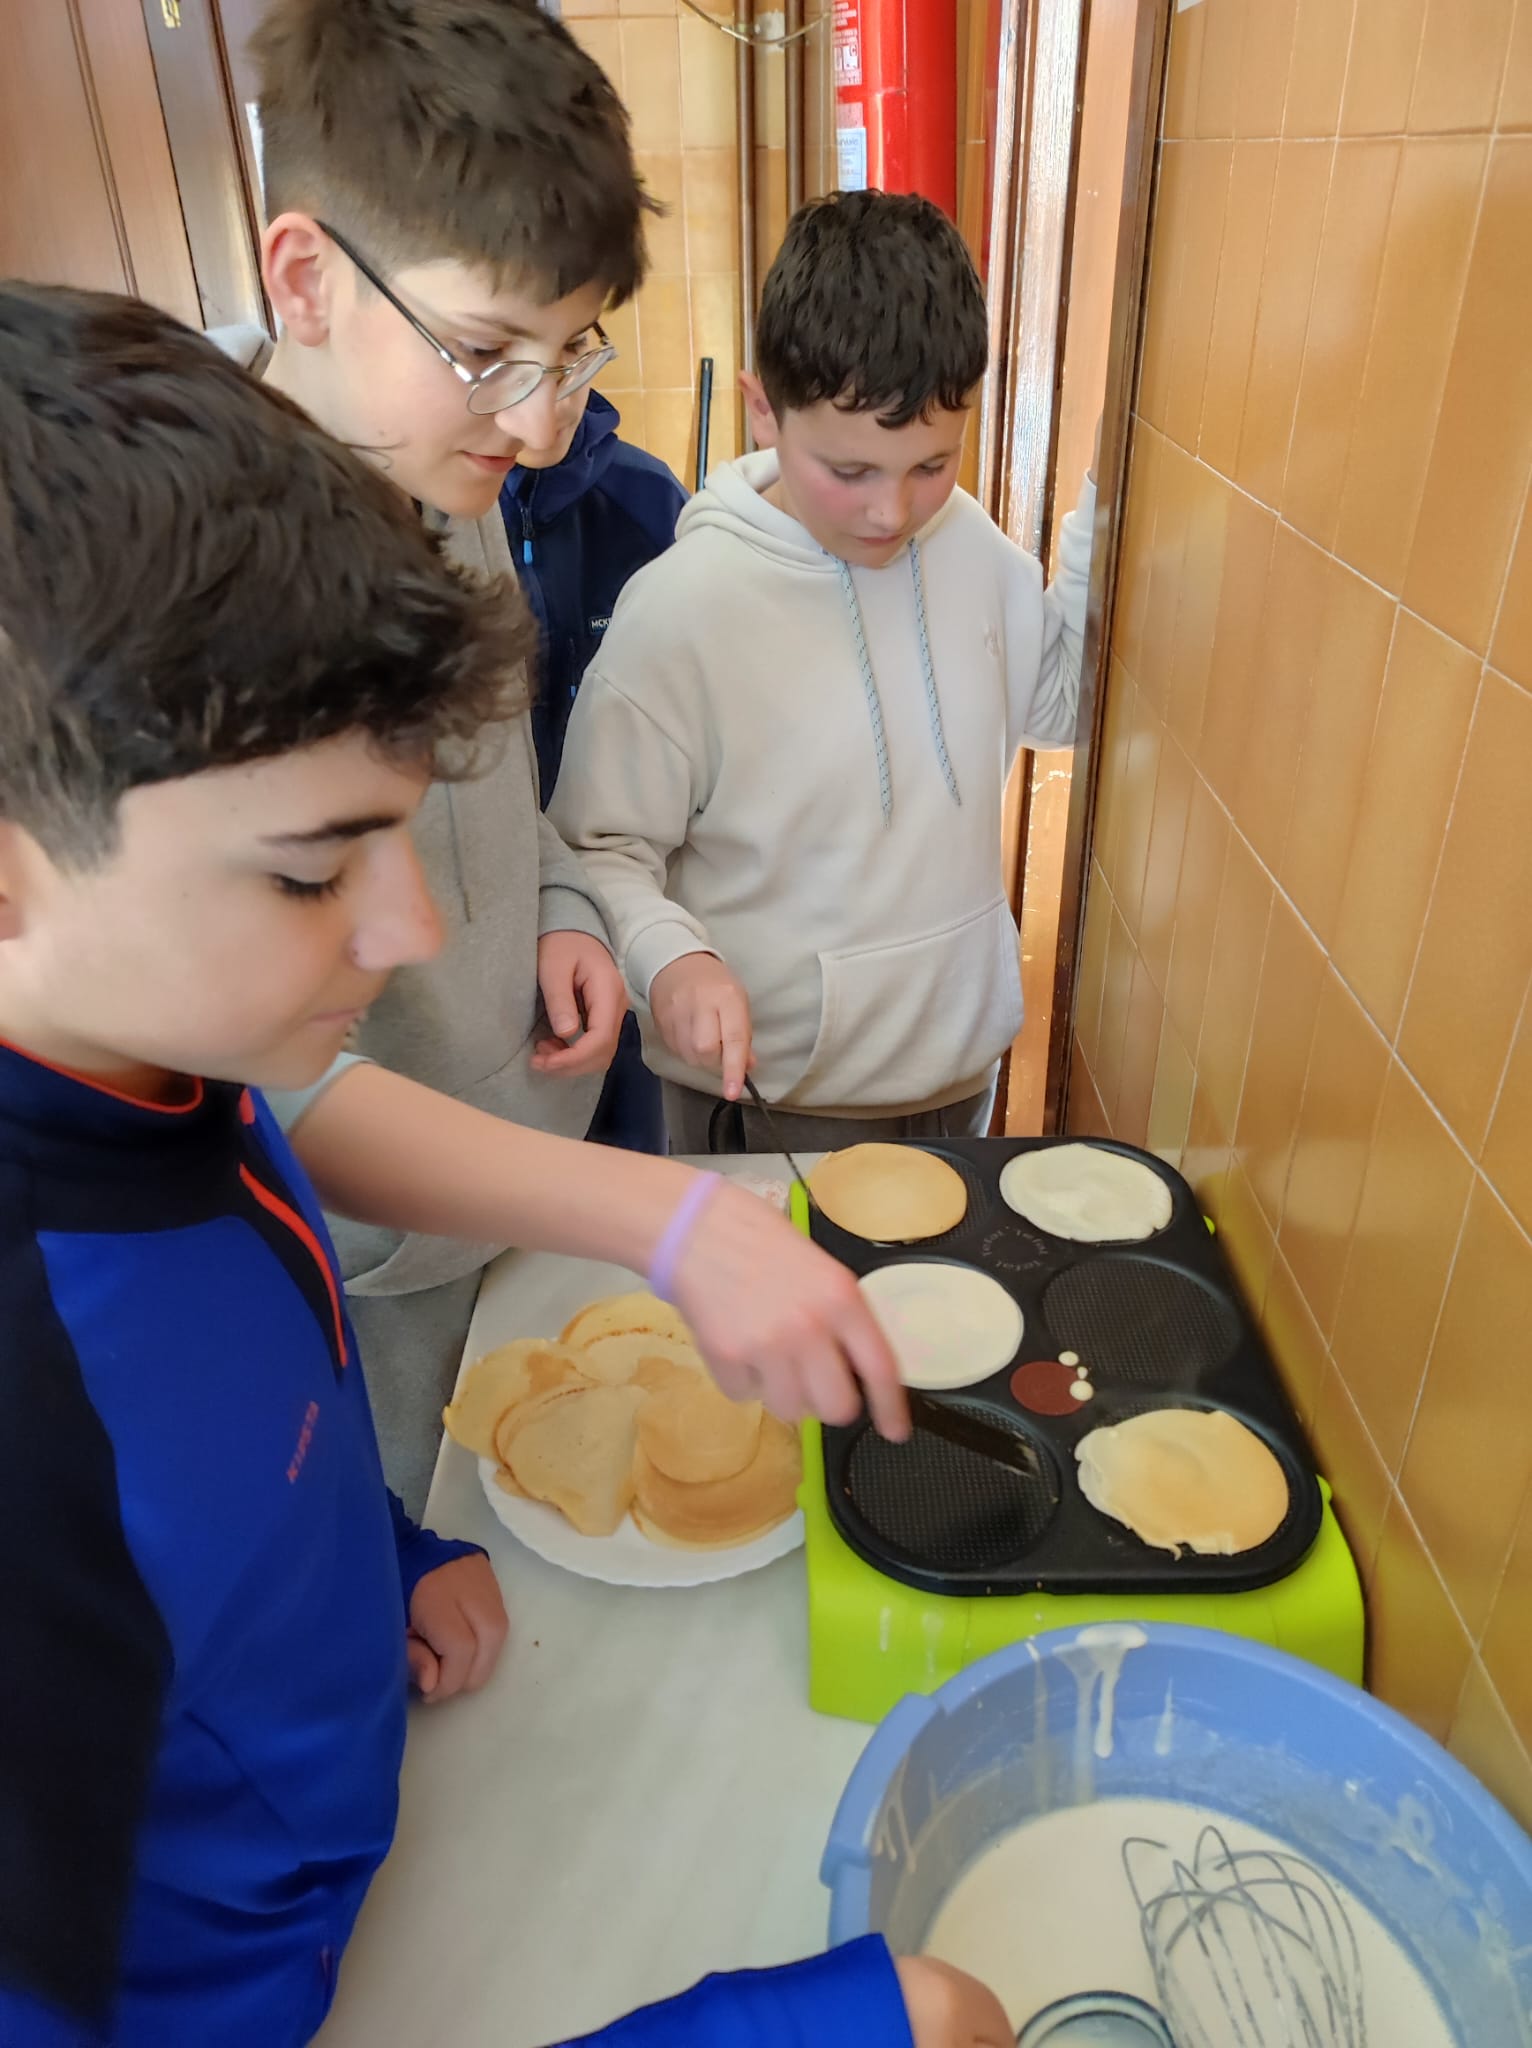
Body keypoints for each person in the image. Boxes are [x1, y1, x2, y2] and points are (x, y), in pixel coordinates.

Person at [0, 284, 1004, 2048]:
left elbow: (258, 1305)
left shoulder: (164, 1068)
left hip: (380, 1828)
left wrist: (383, 1554)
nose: (406, 929)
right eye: (313, 869)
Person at [215, 0, 900, 1509]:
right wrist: (664, 1219)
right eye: (483, 352)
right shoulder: (213, 603)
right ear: (306, 278)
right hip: (375, 1275)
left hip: (528, 1177)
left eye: (569, 349)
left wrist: (566, 912)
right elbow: (275, 1078)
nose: (536, 427)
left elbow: (500, 793)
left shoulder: (438, 476)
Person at [551, 190, 1097, 1155]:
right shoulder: (683, 612)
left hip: (959, 1081)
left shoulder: (967, 543)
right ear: (764, 410)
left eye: (931, 465)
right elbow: (598, 847)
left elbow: (1059, 702)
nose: (892, 512)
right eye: (849, 472)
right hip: (766, 1102)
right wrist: (671, 958)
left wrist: (1111, 505)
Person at [503, 380, 687, 1155]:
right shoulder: (447, 508)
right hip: (498, 895)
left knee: (633, 1139)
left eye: (571, 359)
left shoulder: (650, 501)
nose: (551, 399)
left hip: (624, 889)